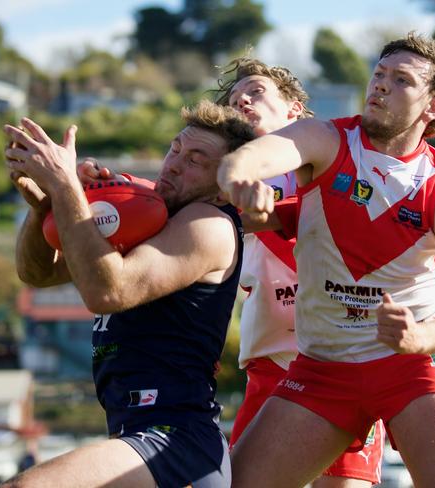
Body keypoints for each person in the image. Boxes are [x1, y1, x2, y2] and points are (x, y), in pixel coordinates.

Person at [78, 58, 385, 487]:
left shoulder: (331, 174)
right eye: (234, 96)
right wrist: (106, 186)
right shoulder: (214, 185)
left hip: (342, 361)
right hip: (270, 364)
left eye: (256, 90)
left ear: (295, 110)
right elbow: (164, 199)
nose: (241, 97)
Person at [218, 32, 435, 488]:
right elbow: (251, 158)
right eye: (378, 74)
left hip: (414, 365)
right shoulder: (324, 139)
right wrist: (240, 178)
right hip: (324, 368)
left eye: (401, 80)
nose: (380, 85)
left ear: (433, 107)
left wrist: (419, 336)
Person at [2, 100, 255, 488]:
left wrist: (67, 185)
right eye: (175, 149)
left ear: (224, 188)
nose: (173, 164)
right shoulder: (148, 211)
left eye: (195, 160)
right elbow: (38, 272)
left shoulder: (209, 223)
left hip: (177, 439)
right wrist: (47, 208)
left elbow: (107, 291)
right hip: (134, 433)